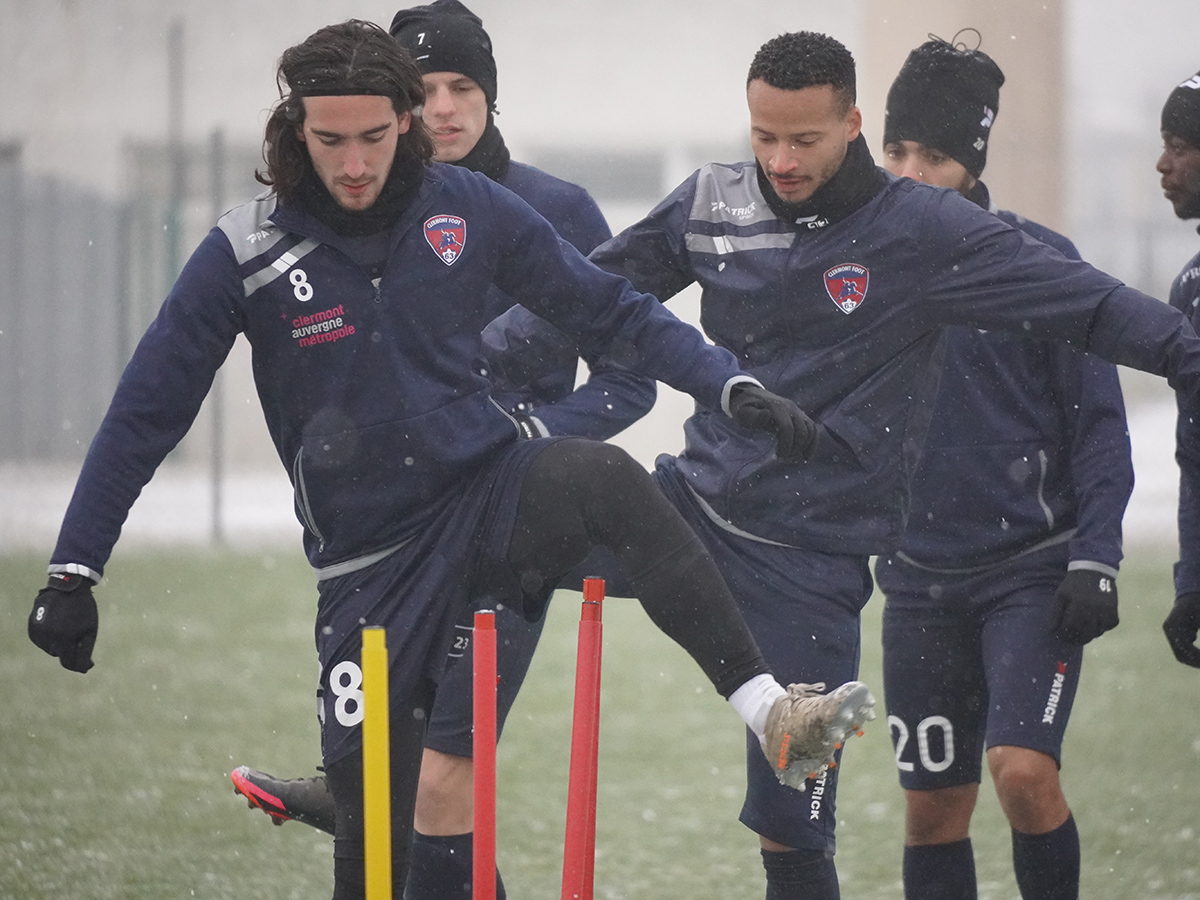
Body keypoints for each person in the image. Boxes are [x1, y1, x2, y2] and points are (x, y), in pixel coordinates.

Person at [24, 20, 878, 900]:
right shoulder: (246, 253)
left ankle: (771, 711)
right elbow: (144, 413)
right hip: (370, 569)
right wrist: (73, 567)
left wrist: (726, 385)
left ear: (405, 123)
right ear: (298, 131)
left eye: (374, 138)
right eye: (330, 141)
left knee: (595, 477)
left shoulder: (465, 207)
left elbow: (610, 311)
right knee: (376, 851)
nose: (354, 164)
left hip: (486, 502)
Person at [583, 30, 1200, 900]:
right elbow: (594, 291)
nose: (780, 160)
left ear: (850, 125)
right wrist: (493, 372)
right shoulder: (731, 207)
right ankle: (369, 780)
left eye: (804, 140)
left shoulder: (958, 242)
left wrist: (1102, 539)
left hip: (921, 570)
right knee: (490, 520)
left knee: (911, 803)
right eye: (764, 138)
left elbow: (1097, 354)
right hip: (808, 543)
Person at [228, 5, 657, 898]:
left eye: (466, 87)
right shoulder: (346, 222)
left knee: (434, 779)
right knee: (407, 792)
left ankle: (353, 796)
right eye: (424, 92)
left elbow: (630, 378)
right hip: (391, 541)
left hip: (512, 531)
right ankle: (350, 795)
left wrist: (532, 444)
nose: (446, 109)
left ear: (492, 97)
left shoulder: (557, 210)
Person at [871, 35, 1132, 900]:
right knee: (933, 809)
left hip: (1032, 572)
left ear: (972, 165)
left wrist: (1096, 556)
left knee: (1022, 772)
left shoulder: (1041, 262)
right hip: (915, 583)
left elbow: (1099, 426)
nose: (909, 173)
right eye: (896, 149)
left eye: (934, 155)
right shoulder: (850, 266)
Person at [1158, 66, 1200, 671]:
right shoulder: (1189, 288)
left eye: (1179, 146)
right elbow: (1195, 451)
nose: (1163, 166)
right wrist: (1192, 578)